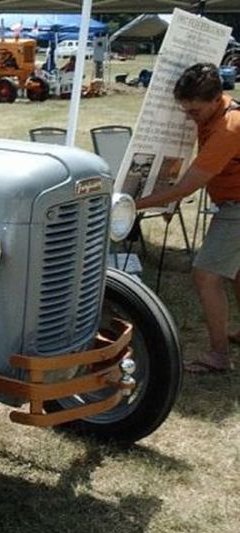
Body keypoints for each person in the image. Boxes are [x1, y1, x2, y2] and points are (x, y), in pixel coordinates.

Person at [136, 62, 240, 373]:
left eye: (194, 111)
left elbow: (185, 187)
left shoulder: (228, 129)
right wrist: (168, 203)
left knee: (206, 274)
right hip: (231, 203)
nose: (188, 116)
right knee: (237, 272)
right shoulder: (216, 113)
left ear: (216, 99)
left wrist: (133, 204)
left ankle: (219, 356)